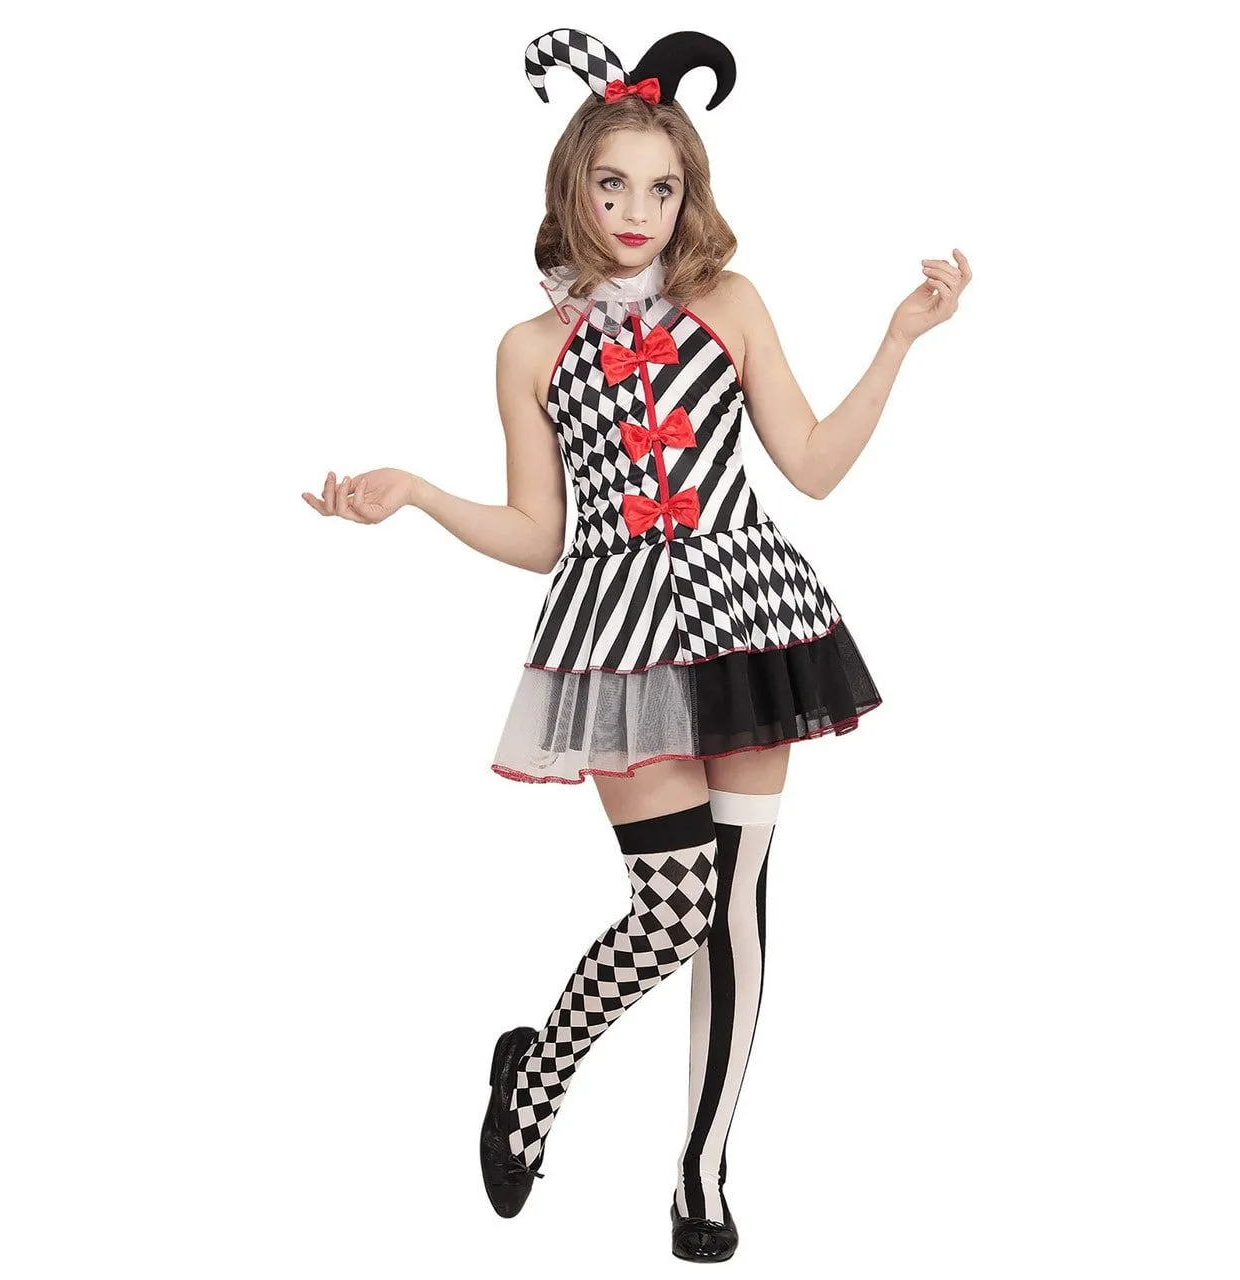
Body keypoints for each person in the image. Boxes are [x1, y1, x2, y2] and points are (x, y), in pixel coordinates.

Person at [302, 26, 971, 1264]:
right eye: (611, 184)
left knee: (738, 905)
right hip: (620, 640)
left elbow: (812, 465)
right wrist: (419, 496)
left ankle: (701, 1168)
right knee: (673, 910)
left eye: (660, 188)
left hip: (751, 617)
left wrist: (897, 339)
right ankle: (537, 1066)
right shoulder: (528, 348)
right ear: (573, 184)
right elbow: (538, 534)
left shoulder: (731, 304)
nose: (634, 211)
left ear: (686, 194)